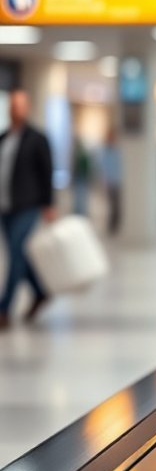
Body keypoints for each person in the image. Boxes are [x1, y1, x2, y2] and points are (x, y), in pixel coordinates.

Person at [0, 89, 55, 329]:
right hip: (5, 205)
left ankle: (3, 309)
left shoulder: (37, 138)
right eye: (13, 105)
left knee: (15, 251)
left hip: (28, 204)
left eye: (21, 105)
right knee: (19, 253)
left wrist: (48, 203)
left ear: (27, 108)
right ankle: (40, 291)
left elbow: (47, 172)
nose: (16, 109)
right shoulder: (3, 138)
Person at [100, 128, 122, 235]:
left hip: (117, 181)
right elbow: (103, 166)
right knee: (111, 205)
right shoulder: (106, 151)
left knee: (117, 205)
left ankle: (116, 224)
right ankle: (111, 224)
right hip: (110, 181)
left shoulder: (118, 150)